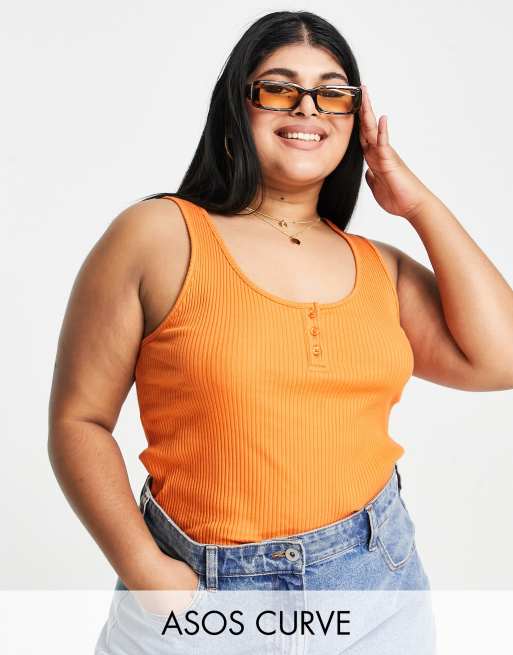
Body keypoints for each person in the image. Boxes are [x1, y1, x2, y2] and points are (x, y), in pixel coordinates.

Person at [48, 10, 513, 655]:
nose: (308, 107)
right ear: (237, 105)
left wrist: (418, 204)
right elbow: (80, 420)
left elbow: (501, 358)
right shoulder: (158, 235)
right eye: (279, 87)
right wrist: (146, 571)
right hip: (200, 597)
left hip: (376, 593)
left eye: (333, 93)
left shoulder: (382, 269)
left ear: (355, 118)